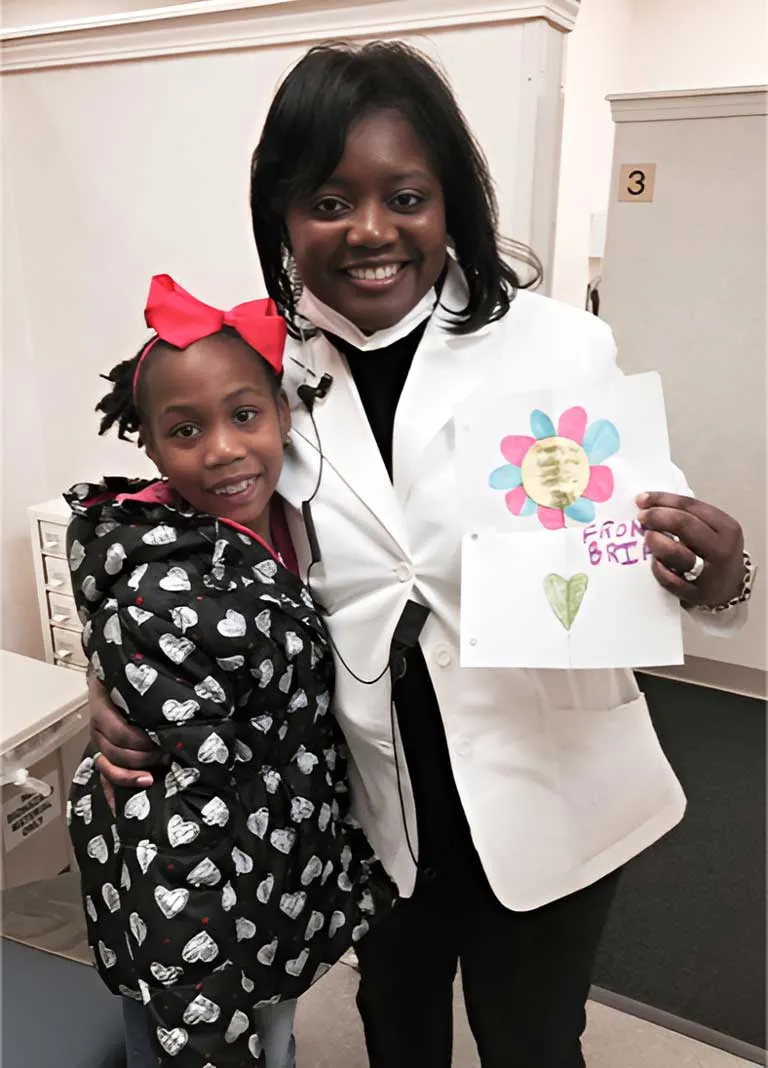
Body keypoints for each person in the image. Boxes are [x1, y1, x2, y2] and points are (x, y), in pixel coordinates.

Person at [87, 42, 754, 1068]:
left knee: (532, 1038)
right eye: (327, 200)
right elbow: (183, 542)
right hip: (366, 794)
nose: (368, 230)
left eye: (405, 195)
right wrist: (116, 682)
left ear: (452, 205)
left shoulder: (554, 346)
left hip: (549, 774)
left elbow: (650, 554)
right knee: (396, 1024)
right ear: (282, 216)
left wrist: (714, 577)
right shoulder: (261, 376)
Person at [65, 274, 395, 1068]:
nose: (221, 450)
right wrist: (204, 1016)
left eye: (244, 415)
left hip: (270, 869)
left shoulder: (287, 522)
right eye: (185, 430)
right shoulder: (164, 595)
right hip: (197, 910)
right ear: (147, 443)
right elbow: (177, 828)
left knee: (274, 1027)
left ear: (283, 412)